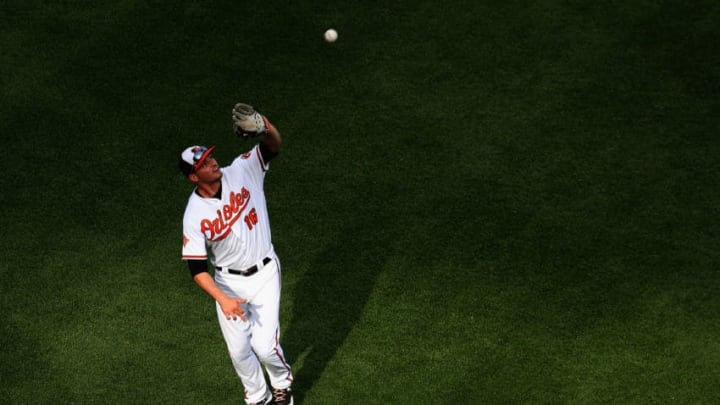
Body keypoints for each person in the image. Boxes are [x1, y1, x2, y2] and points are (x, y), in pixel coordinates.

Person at [178, 105, 293, 405]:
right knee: (239, 351)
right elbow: (196, 268)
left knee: (266, 348)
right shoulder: (194, 215)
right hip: (229, 284)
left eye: (210, 156)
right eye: (203, 163)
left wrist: (265, 125)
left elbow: (273, 145)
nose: (212, 163)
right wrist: (223, 298)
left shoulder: (243, 169)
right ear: (194, 177)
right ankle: (258, 398)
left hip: (266, 273)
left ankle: (281, 383)